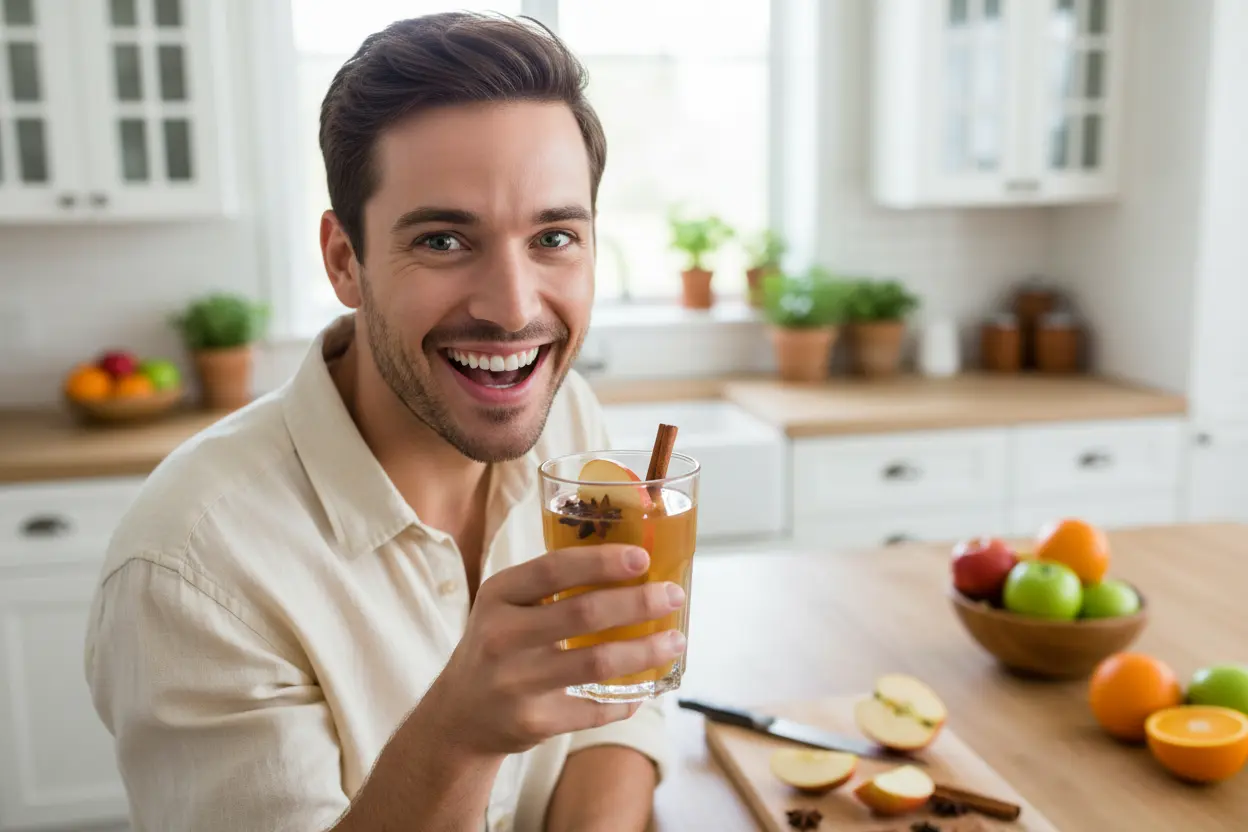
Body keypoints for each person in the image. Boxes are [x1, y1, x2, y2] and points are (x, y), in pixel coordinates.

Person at [83, 12, 683, 832]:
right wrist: (459, 735)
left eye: (553, 236)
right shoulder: (192, 565)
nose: (512, 310)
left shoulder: (566, 416)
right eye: (442, 240)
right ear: (344, 262)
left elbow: (619, 707)